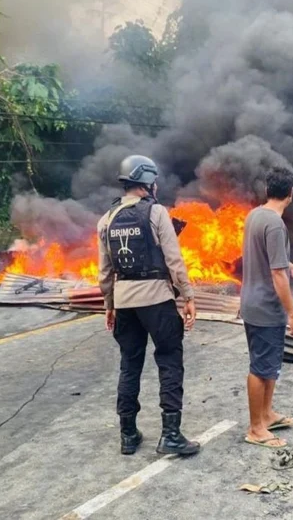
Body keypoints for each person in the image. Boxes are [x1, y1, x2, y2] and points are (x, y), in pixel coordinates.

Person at [97, 155, 200, 457]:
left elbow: (104, 272)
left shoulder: (107, 219)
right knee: (169, 360)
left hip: (125, 302)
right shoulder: (156, 212)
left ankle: (128, 434)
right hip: (157, 300)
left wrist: (109, 304)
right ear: (146, 182)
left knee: (129, 364)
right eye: (153, 181)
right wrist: (188, 297)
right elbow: (174, 260)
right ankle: (170, 435)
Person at [240, 166, 293, 449]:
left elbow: (265, 256)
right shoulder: (276, 224)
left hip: (252, 302)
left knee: (269, 364)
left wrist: (287, 264)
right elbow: (276, 276)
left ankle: (267, 415)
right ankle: (256, 428)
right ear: (290, 194)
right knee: (261, 366)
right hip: (266, 308)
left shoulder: (255, 215)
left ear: (268, 191)